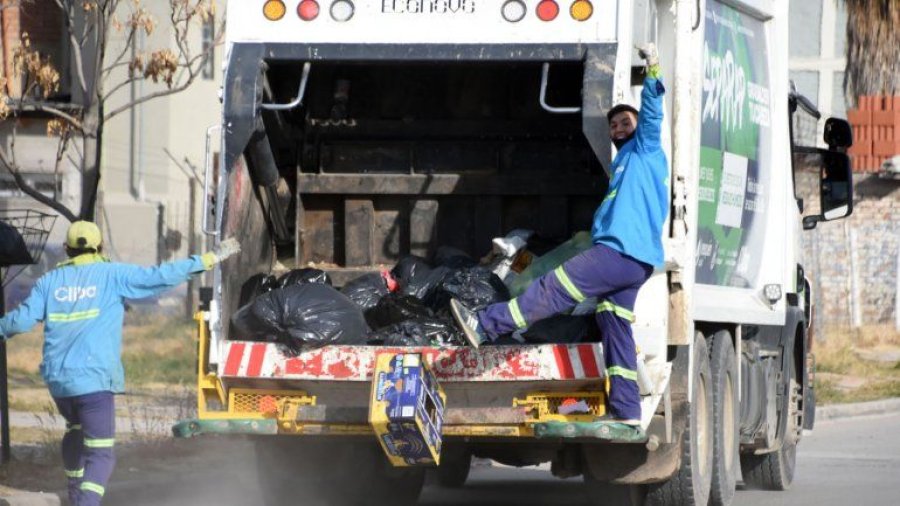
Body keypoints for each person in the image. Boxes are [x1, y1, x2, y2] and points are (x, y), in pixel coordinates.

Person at [451, 44, 668, 436]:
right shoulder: (622, 166)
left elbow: (652, 114)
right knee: (613, 322)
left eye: (626, 122)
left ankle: (486, 325)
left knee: (554, 286)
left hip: (621, 254)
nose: (620, 128)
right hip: (634, 262)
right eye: (614, 125)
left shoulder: (646, 151)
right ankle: (627, 410)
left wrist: (652, 70)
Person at [0, 221, 240, 505]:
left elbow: (21, 321)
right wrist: (208, 259)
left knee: (75, 428)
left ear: (67, 249)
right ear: (99, 247)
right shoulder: (111, 275)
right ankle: (85, 503)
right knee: (101, 451)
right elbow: (159, 276)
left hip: (59, 381)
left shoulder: (48, 282)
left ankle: (76, 492)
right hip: (94, 380)